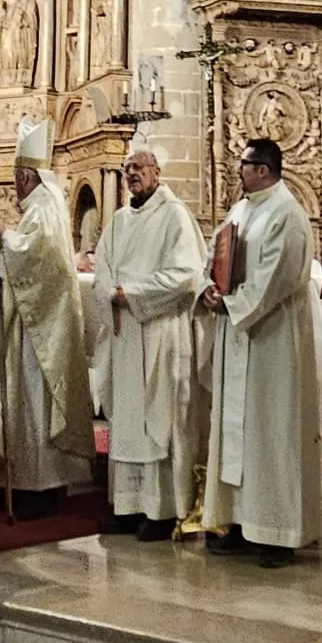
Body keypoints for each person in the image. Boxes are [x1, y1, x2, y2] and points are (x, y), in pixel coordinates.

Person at [200, 139, 322, 568]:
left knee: (272, 433)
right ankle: (240, 521)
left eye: (245, 164)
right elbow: (215, 255)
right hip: (240, 337)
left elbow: (277, 278)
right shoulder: (241, 210)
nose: (239, 170)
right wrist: (209, 287)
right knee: (240, 433)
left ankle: (278, 532)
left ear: (264, 170)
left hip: (272, 343)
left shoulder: (287, 215)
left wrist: (230, 304)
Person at [92, 143, 205, 539]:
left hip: (159, 330)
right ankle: (127, 507)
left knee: (160, 416)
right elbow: (101, 268)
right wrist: (111, 292)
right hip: (124, 333)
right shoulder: (119, 220)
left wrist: (133, 295)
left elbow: (186, 274)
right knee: (126, 421)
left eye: (140, 167)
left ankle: (162, 510)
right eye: (128, 168)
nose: (132, 174)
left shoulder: (174, 215)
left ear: (157, 172)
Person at [0, 119, 95, 514]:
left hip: (39, 325)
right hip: (30, 321)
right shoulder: (40, 205)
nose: (15, 185)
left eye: (17, 177)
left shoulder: (44, 206)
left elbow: (41, 254)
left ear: (27, 176)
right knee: (24, 400)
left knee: (33, 399)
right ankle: (24, 479)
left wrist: (4, 237)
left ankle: (39, 484)